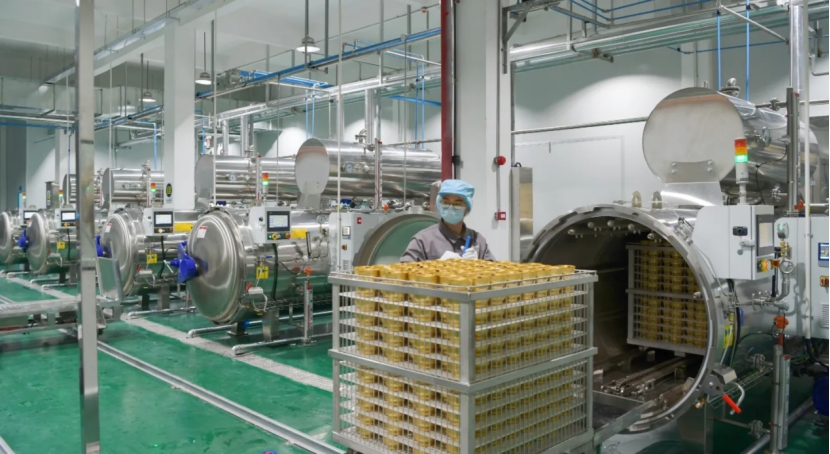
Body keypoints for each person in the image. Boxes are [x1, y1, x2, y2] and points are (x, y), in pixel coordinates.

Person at [401, 179, 496, 262]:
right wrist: (436, 266)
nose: (450, 207)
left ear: (467, 208)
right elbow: (403, 272)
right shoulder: (422, 240)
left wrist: (480, 266)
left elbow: (495, 272)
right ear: (439, 204)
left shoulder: (478, 241)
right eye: (446, 202)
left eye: (457, 204)